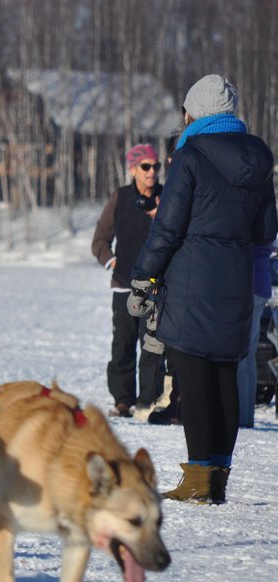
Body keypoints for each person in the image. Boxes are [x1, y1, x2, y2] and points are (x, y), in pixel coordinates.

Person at [129, 74, 278, 504]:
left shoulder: (189, 155)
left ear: (194, 113)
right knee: (225, 377)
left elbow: (168, 227)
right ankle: (218, 478)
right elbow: (266, 230)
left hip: (192, 283)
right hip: (235, 282)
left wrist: (144, 275)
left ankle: (197, 481)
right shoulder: (258, 157)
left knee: (194, 380)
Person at [92, 143, 166, 420]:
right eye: (145, 166)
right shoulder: (120, 199)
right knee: (122, 345)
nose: (152, 172)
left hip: (155, 287)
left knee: (152, 347)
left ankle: (147, 402)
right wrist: (112, 262)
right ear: (133, 169)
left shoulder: (166, 198)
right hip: (124, 285)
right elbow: (99, 240)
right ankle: (123, 401)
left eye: (156, 166)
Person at [237, 243, 272, 428]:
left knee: (241, 354)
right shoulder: (266, 215)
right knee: (248, 355)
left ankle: (241, 417)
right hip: (261, 281)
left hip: (247, 284)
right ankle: (245, 415)